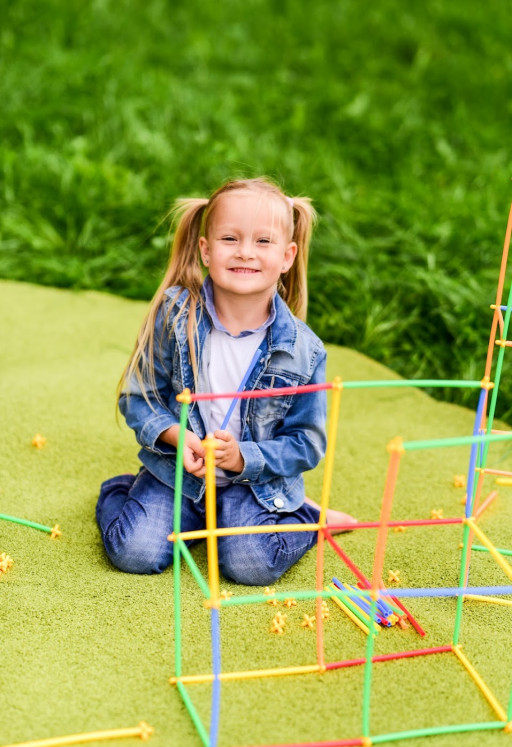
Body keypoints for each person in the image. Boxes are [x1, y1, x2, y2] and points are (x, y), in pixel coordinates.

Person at [96, 177, 356, 585]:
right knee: (135, 552)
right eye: (230, 238)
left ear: (288, 256)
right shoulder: (176, 317)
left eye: (263, 242)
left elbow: (307, 442)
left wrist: (244, 458)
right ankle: (124, 491)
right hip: (177, 474)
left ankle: (309, 518)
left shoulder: (304, 351)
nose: (245, 253)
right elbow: (137, 396)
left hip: (252, 485)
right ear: (205, 250)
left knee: (250, 565)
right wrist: (175, 436)